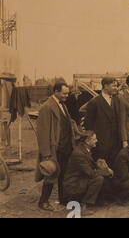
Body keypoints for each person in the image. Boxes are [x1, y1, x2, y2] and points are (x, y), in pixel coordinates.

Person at [35, 82, 75, 211]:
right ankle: (43, 201)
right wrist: (46, 154)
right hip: (54, 148)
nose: (66, 96)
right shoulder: (46, 107)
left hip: (65, 146)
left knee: (64, 174)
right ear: (56, 91)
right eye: (64, 93)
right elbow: (43, 132)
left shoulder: (62, 104)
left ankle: (63, 199)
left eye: (67, 93)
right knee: (50, 174)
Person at [63, 131, 111, 215]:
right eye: (94, 139)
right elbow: (90, 173)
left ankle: (93, 202)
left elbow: (87, 167)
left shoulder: (84, 149)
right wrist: (107, 172)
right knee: (98, 179)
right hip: (73, 185)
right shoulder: (79, 154)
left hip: (78, 180)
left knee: (99, 178)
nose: (97, 140)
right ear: (87, 141)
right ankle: (83, 207)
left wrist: (98, 165)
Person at [85, 77, 121, 167]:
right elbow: (88, 125)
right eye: (114, 86)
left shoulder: (117, 100)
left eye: (116, 86)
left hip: (116, 143)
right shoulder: (94, 102)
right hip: (102, 144)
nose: (116, 88)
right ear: (105, 86)